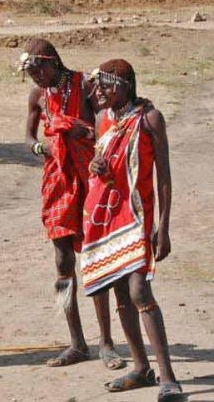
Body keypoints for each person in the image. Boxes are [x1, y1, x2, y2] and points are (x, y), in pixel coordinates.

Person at [19, 38, 125, 370]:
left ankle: (106, 342)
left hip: (90, 177)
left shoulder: (85, 85)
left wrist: (84, 133)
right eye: (32, 73)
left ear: (53, 62)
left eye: (39, 71)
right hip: (57, 180)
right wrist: (43, 150)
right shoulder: (38, 95)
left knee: (95, 256)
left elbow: (107, 127)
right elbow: (29, 138)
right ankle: (76, 341)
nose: (37, 78)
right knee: (63, 261)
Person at [82, 60, 184, 402]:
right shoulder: (102, 118)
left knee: (140, 291)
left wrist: (163, 227)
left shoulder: (149, 119)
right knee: (117, 291)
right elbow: (102, 162)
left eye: (107, 86)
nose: (101, 92)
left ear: (125, 85)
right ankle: (141, 368)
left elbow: (164, 175)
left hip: (137, 214)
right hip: (104, 215)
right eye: (99, 87)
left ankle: (168, 377)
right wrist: (95, 165)